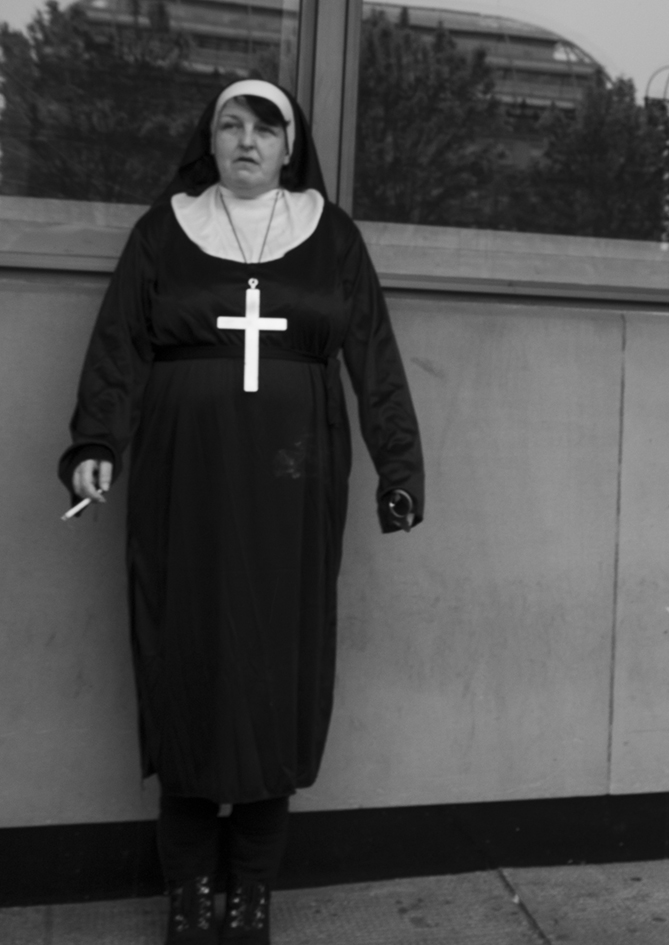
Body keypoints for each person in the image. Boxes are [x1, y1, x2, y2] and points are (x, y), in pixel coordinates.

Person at [59, 79, 424, 945]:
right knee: (185, 657)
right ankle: (189, 890)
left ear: (290, 146)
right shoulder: (164, 230)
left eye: (265, 127)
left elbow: (373, 354)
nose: (247, 139)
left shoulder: (330, 234)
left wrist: (398, 467)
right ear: (210, 139)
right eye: (231, 124)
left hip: (294, 484)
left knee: (276, 663)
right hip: (183, 481)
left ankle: (253, 888)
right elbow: (117, 345)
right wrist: (95, 442)